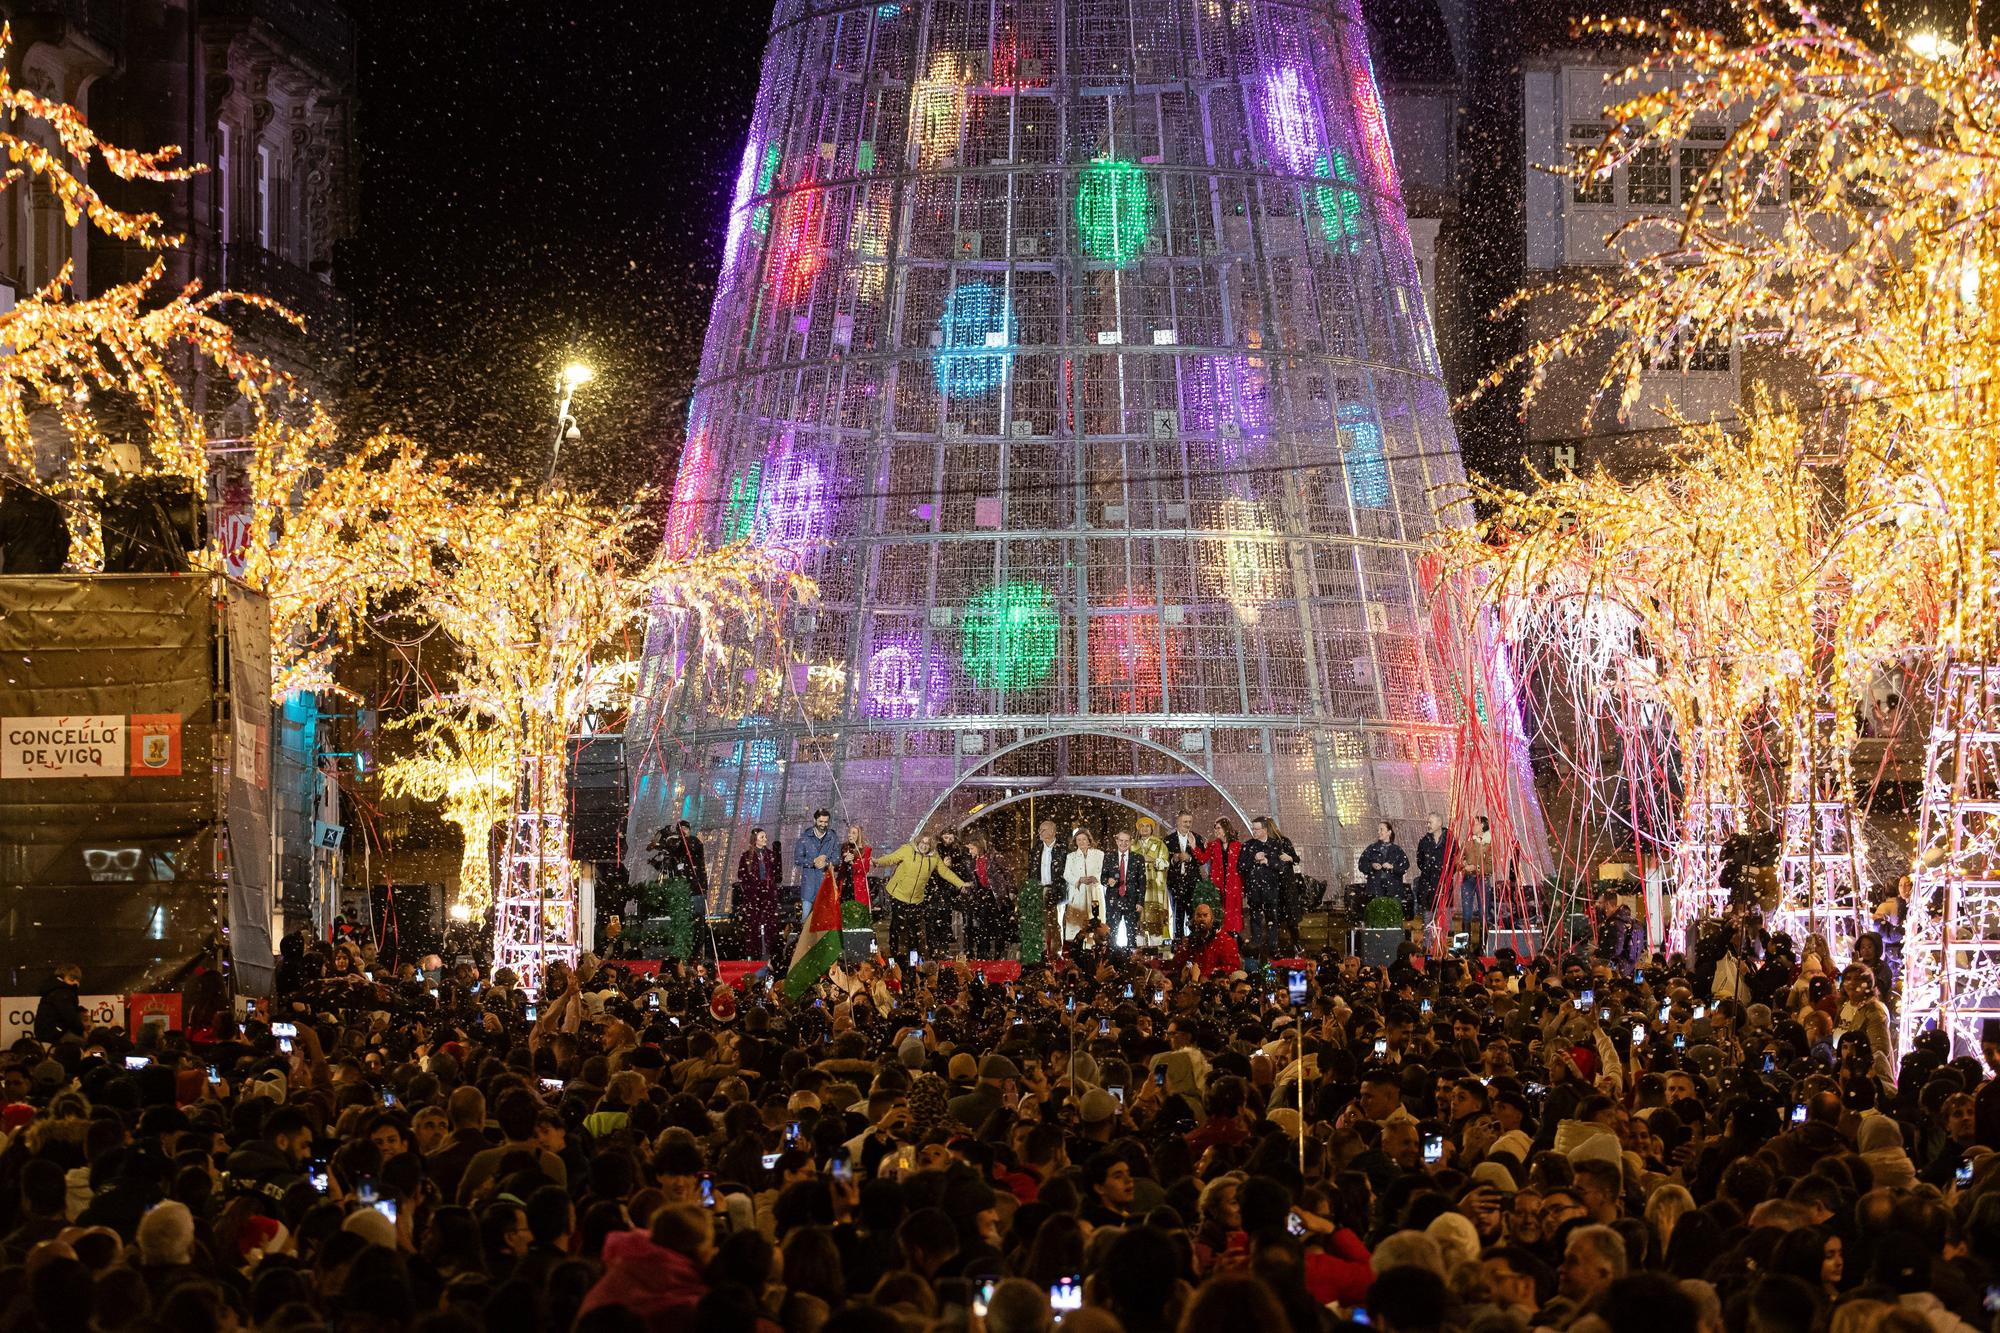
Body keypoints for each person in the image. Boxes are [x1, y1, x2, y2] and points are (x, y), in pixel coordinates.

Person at [878, 833, 968, 959]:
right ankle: (893, 956)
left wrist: (961, 884)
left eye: (927, 844)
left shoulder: (934, 857)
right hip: (898, 894)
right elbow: (891, 858)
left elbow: (945, 872)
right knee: (897, 926)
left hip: (916, 899)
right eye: (922, 843)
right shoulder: (907, 850)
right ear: (918, 842)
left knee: (914, 931)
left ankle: (913, 961)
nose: (924, 846)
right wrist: (877, 862)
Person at [1241, 816, 1299, 957]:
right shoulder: (1248, 845)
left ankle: (1274, 949)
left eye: (1257, 829)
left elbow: (1281, 866)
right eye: (1253, 828)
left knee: (1272, 919)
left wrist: (1267, 861)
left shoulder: (1276, 845)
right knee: (1255, 919)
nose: (1254, 831)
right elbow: (1241, 866)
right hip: (1254, 890)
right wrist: (1254, 859)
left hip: (1271, 890)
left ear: (1265, 830)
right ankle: (1256, 948)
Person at [735, 827, 784, 958]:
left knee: (770, 923)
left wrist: (778, 855)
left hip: (768, 892)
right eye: (762, 837)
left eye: (765, 836)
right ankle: (753, 953)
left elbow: (778, 875)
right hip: (753, 894)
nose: (765, 839)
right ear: (755, 839)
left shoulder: (771, 854)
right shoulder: (746, 856)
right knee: (753, 924)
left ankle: (770, 952)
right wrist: (750, 886)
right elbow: (741, 874)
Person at [965, 835, 1013, 959]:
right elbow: (975, 880)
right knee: (982, 926)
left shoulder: (995, 857)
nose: (970, 851)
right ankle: (983, 954)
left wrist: (1011, 891)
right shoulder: (972, 862)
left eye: (972, 848)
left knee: (999, 926)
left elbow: (1007, 874)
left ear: (978, 846)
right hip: (982, 895)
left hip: (996, 895)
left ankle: (999, 954)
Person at [1169, 901, 1242, 978]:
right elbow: (1176, 966)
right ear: (1194, 919)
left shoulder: (1225, 940)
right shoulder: (1192, 940)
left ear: (1212, 918)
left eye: (1205, 915)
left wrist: (1204, 975)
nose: (1202, 919)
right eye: (1198, 915)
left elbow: (1232, 967)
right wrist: (1184, 949)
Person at [1164, 811, 1207, 941]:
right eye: (1185, 822)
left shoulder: (1197, 838)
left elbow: (1202, 860)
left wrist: (1189, 859)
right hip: (1175, 882)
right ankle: (1178, 942)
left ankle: (1195, 941)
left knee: (1193, 913)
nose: (1187, 825)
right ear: (1178, 822)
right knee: (1177, 914)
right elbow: (1164, 860)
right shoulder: (1168, 840)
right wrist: (1175, 859)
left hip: (1192, 882)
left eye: (1189, 822)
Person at [1102, 829, 1149, 948]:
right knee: (1112, 935)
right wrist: (1108, 881)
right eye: (1121, 840)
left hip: (1132, 901)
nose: (1123, 843)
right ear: (1116, 841)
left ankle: (1131, 962)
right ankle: (1112, 961)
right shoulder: (1109, 857)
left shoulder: (1138, 858)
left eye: (1126, 841)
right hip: (1113, 900)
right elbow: (1102, 877)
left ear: (1131, 842)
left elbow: (1142, 882)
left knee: (1132, 935)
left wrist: (1140, 902)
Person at [1131, 816, 1173, 946]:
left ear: (1151, 829)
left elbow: (1165, 863)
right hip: (1138, 889)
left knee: (1156, 921)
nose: (1144, 829)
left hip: (1155, 888)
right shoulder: (1133, 845)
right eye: (1142, 826)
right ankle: (1139, 950)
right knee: (1138, 921)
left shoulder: (1159, 843)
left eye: (1147, 826)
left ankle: (1157, 950)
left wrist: (1152, 860)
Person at [1029, 818, 1066, 964]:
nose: (1040, 832)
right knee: (1041, 922)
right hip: (1040, 888)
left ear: (1052, 831)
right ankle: (1043, 950)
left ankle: (1056, 951)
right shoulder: (1037, 848)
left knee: (1056, 922)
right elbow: (1032, 871)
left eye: (1043, 829)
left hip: (1056, 888)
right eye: (1040, 829)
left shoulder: (1062, 848)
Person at [1062, 829, 1107, 944]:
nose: (1082, 842)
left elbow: (1104, 871)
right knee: (1078, 922)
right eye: (1079, 840)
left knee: (1096, 920)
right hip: (1078, 892)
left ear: (1089, 840)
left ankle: (1096, 944)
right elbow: (1067, 874)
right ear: (1075, 842)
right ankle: (1076, 946)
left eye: (1084, 839)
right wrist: (1079, 880)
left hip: (1094, 891)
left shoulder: (1099, 854)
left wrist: (1095, 877)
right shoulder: (1071, 857)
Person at [1201, 817, 1244, 935]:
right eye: (1215, 829)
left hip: (1233, 884)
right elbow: (1202, 859)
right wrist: (1195, 847)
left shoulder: (1237, 845)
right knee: (1218, 912)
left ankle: (1232, 937)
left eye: (1219, 828)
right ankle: (1220, 936)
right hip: (1217, 884)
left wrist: (1243, 887)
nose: (1216, 831)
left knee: (1232, 913)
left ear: (1226, 828)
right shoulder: (1213, 845)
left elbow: (1242, 867)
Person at [794, 809, 839, 917]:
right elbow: (797, 859)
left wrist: (827, 863)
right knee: (806, 917)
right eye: (820, 821)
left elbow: (837, 858)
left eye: (826, 822)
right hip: (809, 882)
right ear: (815, 820)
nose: (823, 824)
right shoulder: (805, 837)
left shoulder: (832, 837)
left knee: (824, 919)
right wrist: (813, 862)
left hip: (825, 881)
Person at [1593, 886, 1643, 977]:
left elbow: (1615, 951)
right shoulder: (1629, 921)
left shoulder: (1615, 923)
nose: (1597, 906)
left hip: (1618, 971)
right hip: (1632, 969)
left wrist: (1596, 952)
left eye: (1600, 903)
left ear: (1607, 904)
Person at [1360, 821, 1411, 912]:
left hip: (1393, 890)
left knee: (1393, 916)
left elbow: (1405, 866)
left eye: (1381, 829)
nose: (1379, 832)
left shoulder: (1397, 850)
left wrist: (1392, 867)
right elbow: (1362, 864)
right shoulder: (1372, 849)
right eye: (1378, 830)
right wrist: (1372, 865)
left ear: (1389, 832)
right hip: (1375, 889)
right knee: (1376, 916)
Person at [1460, 814, 1493, 937]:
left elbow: (1491, 867)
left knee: (1483, 912)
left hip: (1483, 880)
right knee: (1466, 911)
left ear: (1482, 825)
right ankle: (1465, 942)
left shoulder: (1489, 845)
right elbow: (1457, 860)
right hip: (1468, 880)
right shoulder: (1467, 843)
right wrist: (1462, 864)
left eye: (1475, 823)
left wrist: (1476, 868)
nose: (1472, 826)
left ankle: (1483, 943)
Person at [32, 963, 83, 1043]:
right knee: (83, 1043)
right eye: (72, 979)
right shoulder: (62, 993)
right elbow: (70, 1017)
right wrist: (82, 1031)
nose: (75, 982)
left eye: (77, 979)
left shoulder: (54, 989)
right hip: (54, 1033)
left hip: (48, 1032)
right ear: (63, 977)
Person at [1415, 813, 1450, 920]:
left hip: (1444, 884)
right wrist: (1429, 870)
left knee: (1444, 920)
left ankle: (1443, 936)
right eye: (1428, 822)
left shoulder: (1450, 840)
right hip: (1428, 885)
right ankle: (1429, 937)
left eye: (1431, 822)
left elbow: (1455, 859)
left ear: (1439, 823)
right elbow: (1420, 861)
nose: (1428, 825)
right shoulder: (1424, 841)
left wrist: (1444, 872)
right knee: (1428, 920)